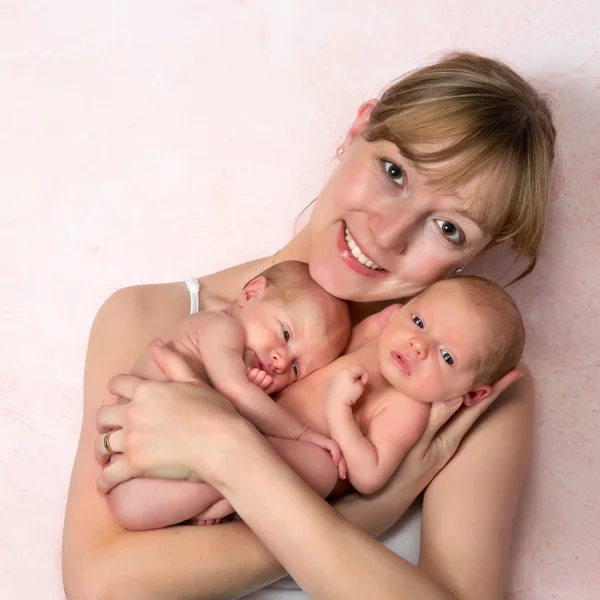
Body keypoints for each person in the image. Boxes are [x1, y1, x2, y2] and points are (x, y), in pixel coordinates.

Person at [62, 51, 556, 600]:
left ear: (479, 253)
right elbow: (101, 585)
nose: (387, 235)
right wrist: (368, 515)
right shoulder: (147, 316)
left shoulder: (466, 382)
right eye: (394, 173)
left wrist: (230, 453)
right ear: (358, 127)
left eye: (447, 227)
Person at [106, 260, 351, 529]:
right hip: (137, 480)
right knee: (320, 466)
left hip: (156, 481)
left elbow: (223, 409)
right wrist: (301, 433)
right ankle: (226, 492)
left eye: (295, 368)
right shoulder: (219, 326)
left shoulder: (238, 363)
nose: (281, 360)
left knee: (323, 469)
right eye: (285, 333)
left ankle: (224, 494)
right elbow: (234, 391)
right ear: (250, 293)